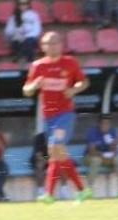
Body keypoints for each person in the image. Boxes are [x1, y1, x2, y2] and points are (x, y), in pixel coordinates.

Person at [24, 31, 92, 204]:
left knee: (55, 145)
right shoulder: (38, 66)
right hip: (49, 116)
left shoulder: (70, 62)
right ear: (43, 46)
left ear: (61, 45)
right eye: (48, 43)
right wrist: (34, 85)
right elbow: (26, 90)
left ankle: (51, 194)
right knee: (55, 153)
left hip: (65, 114)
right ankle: (78, 191)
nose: (52, 46)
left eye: (55, 42)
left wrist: (74, 89)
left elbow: (83, 82)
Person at [86, 114, 118, 197]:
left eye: (108, 124)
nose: (106, 126)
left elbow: (117, 151)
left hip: (107, 158)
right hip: (91, 157)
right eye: (103, 123)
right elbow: (91, 151)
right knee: (96, 160)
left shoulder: (113, 131)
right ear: (99, 124)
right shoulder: (93, 131)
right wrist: (103, 155)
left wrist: (112, 144)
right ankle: (89, 190)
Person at [30, 131, 48, 197]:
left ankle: (64, 188)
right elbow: (38, 154)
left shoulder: (57, 136)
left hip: (50, 158)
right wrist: (44, 161)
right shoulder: (39, 137)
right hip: (38, 159)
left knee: (63, 165)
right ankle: (40, 190)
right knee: (39, 166)